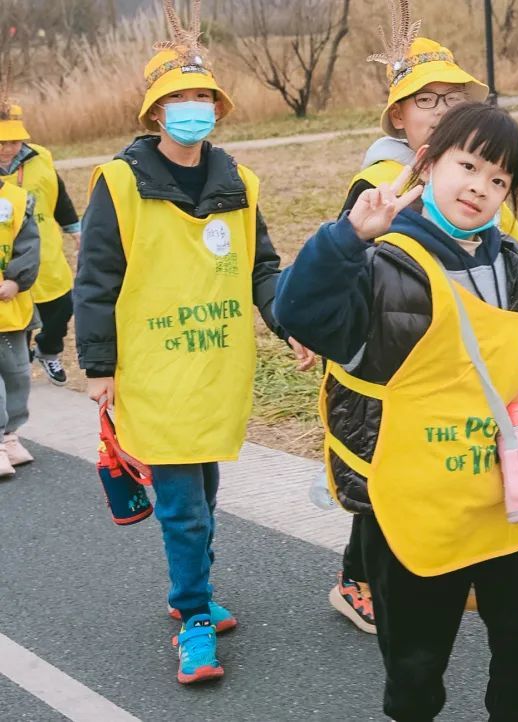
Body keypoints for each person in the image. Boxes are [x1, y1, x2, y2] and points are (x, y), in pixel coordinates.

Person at [276, 102, 518, 721]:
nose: (480, 187)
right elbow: (297, 311)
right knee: (415, 667)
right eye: (469, 165)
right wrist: (347, 237)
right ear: (427, 164)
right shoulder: (383, 263)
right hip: (413, 511)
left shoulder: (510, 267)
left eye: (500, 180)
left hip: (502, 499)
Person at [327, 25, 518, 657]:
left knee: (506, 469)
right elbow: (349, 281)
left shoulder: (485, 173)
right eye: (427, 100)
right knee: (390, 489)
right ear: (399, 115)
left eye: (453, 98)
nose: (442, 110)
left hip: (484, 369)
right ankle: (364, 579)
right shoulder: (380, 181)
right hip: (402, 375)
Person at [73, 1, 313, 685]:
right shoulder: (118, 184)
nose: (192, 106)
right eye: (177, 97)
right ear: (153, 114)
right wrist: (97, 366)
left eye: (201, 95)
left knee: (204, 495)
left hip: (217, 372)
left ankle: (198, 592)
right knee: (181, 504)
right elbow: (96, 279)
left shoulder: (239, 182)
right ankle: (193, 618)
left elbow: (261, 267)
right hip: (154, 374)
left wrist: (287, 320)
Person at [0, 103, 80, 385]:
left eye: (14, 140)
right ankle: (17, 372)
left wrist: (75, 230)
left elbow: (59, 197)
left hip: (47, 255)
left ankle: (48, 352)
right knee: (17, 321)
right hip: (9, 262)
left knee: (61, 309)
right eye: (1, 142)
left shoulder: (40, 157)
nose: (8, 148)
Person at [0, 99, 40, 477]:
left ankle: (11, 433)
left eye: (13, 143)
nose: (8, 150)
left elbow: (29, 244)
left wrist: (16, 278)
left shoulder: (15, 199)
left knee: (16, 371)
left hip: (10, 307)